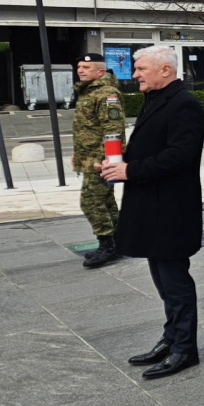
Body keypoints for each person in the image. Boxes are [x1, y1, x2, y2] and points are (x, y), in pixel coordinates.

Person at [105, 46, 204, 379]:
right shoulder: (158, 99)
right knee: (163, 281)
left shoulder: (185, 105)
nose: (134, 75)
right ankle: (170, 338)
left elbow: (180, 156)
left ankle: (184, 349)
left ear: (165, 70)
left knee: (175, 283)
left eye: (141, 68)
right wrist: (117, 167)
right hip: (153, 207)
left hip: (171, 210)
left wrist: (129, 171)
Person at [73, 53, 126, 268]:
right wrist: (78, 154)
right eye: (79, 66)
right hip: (89, 158)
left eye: (86, 67)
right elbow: (88, 128)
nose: (81, 70)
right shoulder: (89, 92)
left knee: (90, 202)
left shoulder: (106, 94)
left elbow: (113, 130)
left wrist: (108, 160)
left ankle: (107, 246)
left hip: (100, 161)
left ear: (100, 72)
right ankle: (119, 242)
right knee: (106, 202)